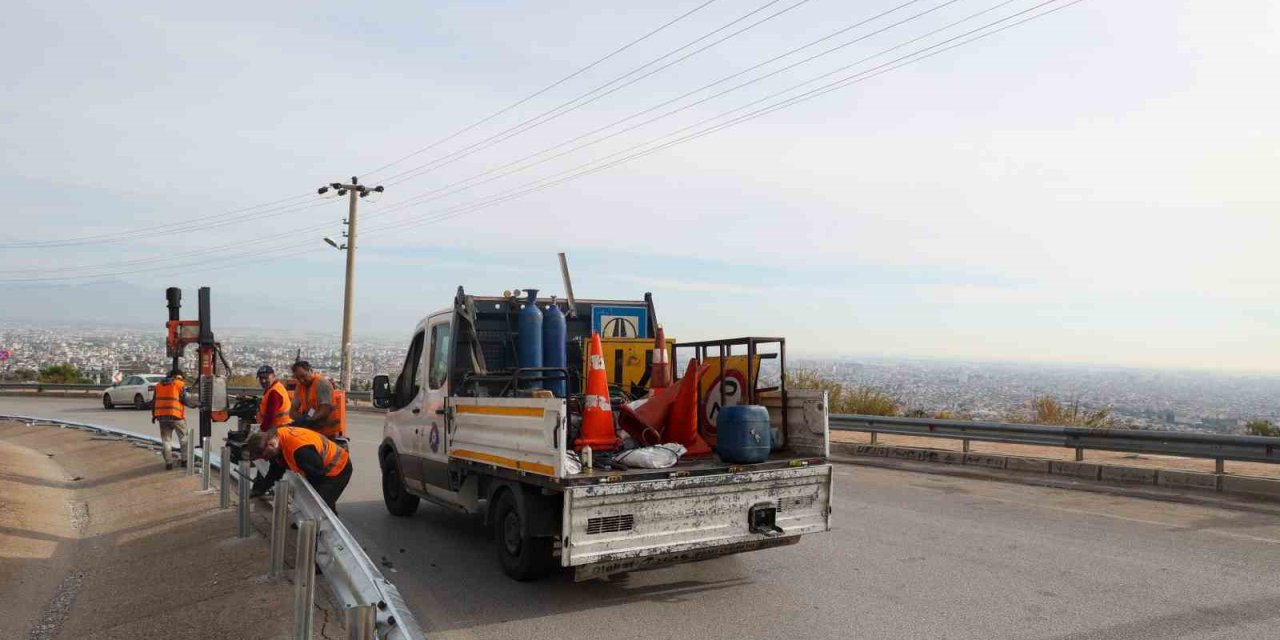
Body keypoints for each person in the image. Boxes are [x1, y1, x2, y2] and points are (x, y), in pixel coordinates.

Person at [246, 426, 352, 511]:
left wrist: (313, 503)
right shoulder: (277, 439)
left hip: (338, 468)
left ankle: (319, 532)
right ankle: (310, 526)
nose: (265, 460)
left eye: (265, 456)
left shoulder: (299, 451)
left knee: (320, 506)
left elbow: (318, 476)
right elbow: (276, 469)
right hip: (317, 467)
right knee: (314, 503)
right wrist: (261, 488)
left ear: (271, 445)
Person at [152, 370, 197, 470]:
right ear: (178, 376)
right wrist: (196, 405)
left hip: (162, 417)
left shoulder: (158, 385)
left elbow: (154, 401)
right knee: (183, 438)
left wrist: (154, 416)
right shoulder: (179, 384)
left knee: (166, 440)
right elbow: (186, 399)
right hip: (176, 416)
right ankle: (184, 461)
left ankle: (168, 463)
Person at [290, 361, 346, 441]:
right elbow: (292, 412)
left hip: (327, 432)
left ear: (311, 371)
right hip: (312, 430)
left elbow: (325, 411)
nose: (302, 380)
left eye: (303, 376)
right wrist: (301, 420)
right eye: (298, 378)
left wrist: (308, 420)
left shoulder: (321, 384)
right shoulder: (300, 386)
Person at [255, 365, 293, 431]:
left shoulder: (274, 392)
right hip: (280, 425)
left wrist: (262, 430)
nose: (263, 381)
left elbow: (270, 415)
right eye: (261, 378)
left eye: (266, 378)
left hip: (278, 427)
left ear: (274, 377)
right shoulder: (274, 387)